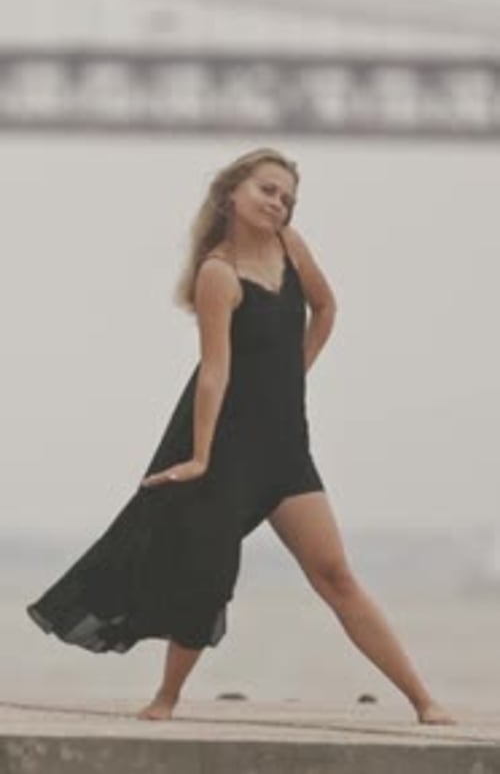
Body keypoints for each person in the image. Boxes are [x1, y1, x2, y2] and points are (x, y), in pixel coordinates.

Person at [26, 147, 455, 725]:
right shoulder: (218, 273)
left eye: (287, 198)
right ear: (232, 194)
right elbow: (214, 373)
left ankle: (424, 701)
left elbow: (327, 308)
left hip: (284, 446)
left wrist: (294, 373)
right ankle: (167, 699)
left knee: (335, 574)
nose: (278, 203)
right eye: (267, 190)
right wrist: (201, 456)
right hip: (224, 447)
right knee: (206, 576)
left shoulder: (291, 247)